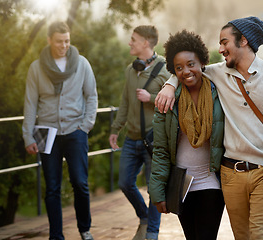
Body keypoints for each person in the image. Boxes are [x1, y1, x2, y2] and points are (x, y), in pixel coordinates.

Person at [155, 16, 263, 240]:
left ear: (243, 41)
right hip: (230, 174)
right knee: (241, 236)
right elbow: (188, 69)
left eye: (225, 42)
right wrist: (169, 85)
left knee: (260, 235)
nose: (220, 49)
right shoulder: (217, 73)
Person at [22, 21, 98, 240]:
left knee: (80, 183)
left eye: (67, 41)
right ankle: (56, 235)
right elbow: (30, 104)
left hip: (76, 129)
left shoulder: (82, 64)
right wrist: (28, 135)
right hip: (45, 132)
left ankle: (85, 229)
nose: (63, 45)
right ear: (49, 40)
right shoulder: (36, 67)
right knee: (52, 187)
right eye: (59, 41)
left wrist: (86, 126)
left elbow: (91, 96)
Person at [149, 30, 225, 240]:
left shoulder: (219, 92)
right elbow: (161, 150)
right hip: (181, 184)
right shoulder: (167, 101)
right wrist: (157, 192)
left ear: (201, 61)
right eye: (179, 68)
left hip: (211, 182)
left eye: (191, 64)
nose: (186, 71)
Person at [108, 25, 170, 240]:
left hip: (154, 140)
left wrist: (150, 98)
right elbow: (124, 102)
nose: (129, 42)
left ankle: (151, 233)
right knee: (125, 183)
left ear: (146, 42)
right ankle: (143, 217)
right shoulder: (130, 69)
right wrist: (116, 128)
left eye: (133, 39)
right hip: (131, 138)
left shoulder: (165, 69)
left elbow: (174, 102)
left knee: (154, 190)